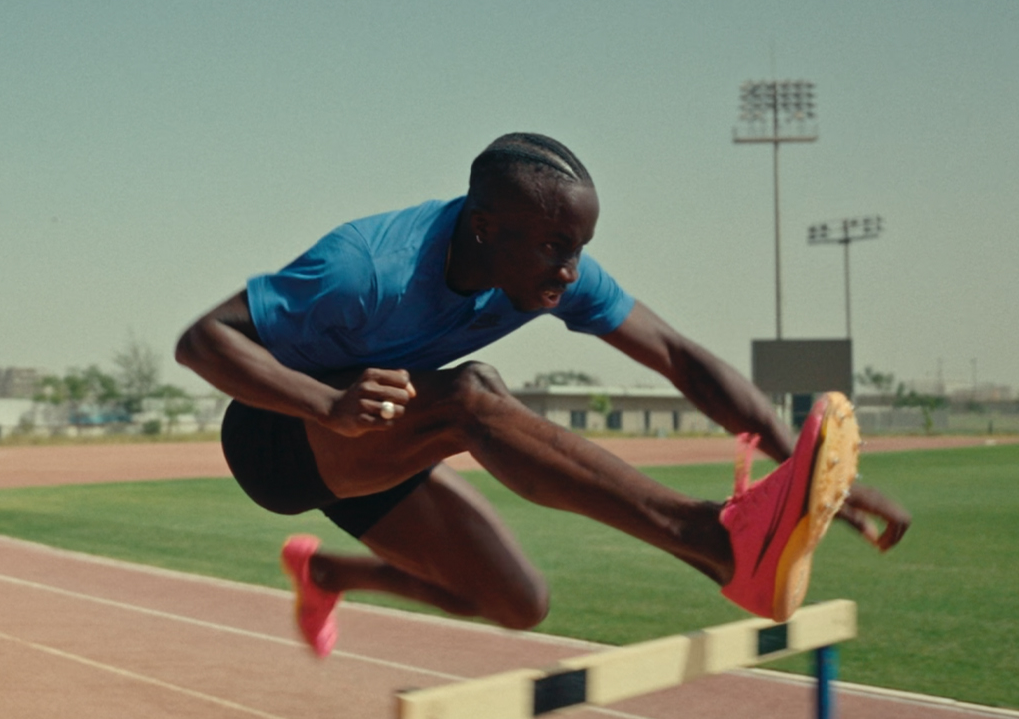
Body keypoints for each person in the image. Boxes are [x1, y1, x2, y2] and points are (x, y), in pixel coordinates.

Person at [176, 133, 910, 658]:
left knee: (517, 602)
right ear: (485, 228)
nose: (570, 270)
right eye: (556, 247)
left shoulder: (551, 269)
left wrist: (803, 471)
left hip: (382, 432)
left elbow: (679, 357)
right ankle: (714, 542)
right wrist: (323, 404)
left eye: (580, 247)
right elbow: (203, 339)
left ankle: (330, 572)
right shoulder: (365, 267)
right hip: (279, 436)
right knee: (472, 396)